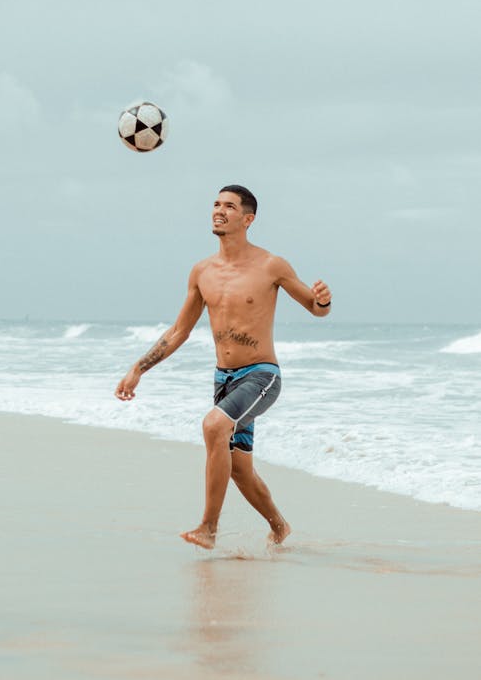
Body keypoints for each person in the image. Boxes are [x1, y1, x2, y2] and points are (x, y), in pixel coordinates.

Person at [115, 185, 332, 549]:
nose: (219, 210)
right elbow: (179, 330)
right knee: (240, 470)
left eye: (229, 206)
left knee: (214, 425)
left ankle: (208, 528)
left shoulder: (270, 265)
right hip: (224, 379)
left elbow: (315, 307)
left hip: (261, 375)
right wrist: (138, 368)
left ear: (248, 219)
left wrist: (324, 300)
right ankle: (280, 527)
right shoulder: (202, 272)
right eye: (216, 204)